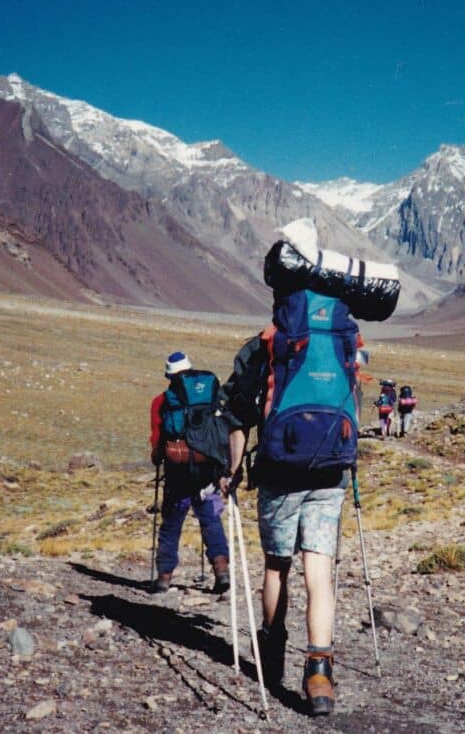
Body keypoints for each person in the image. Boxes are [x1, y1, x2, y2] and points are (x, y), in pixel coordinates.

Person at [219, 300, 358, 717]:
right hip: (330, 471)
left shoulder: (266, 345)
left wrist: (234, 469)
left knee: (277, 565)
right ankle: (319, 673)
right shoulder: (338, 339)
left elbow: (238, 416)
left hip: (280, 472)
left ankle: (273, 649)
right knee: (319, 569)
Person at [149, 351, 229, 594]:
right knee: (212, 520)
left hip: (178, 473)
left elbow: (156, 440)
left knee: (171, 524)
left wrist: (158, 458)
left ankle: (164, 576)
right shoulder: (209, 397)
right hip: (208, 472)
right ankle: (221, 570)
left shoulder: (161, 402)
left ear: (169, 376)